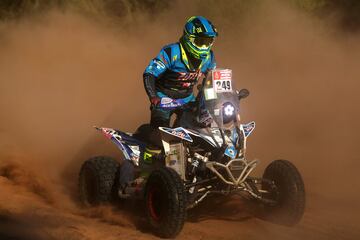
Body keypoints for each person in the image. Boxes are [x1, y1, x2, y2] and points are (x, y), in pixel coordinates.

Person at [143, 16, 218, 130]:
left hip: (188, 100)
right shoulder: (171, 51)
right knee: (158, 137)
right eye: (200, 41)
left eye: (208, 42)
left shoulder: (209, 57)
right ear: (188, 38)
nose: (204, 46)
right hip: (164, 100)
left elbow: (212, 80)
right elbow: (149, 73)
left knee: (203, 130)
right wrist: (153, 96)